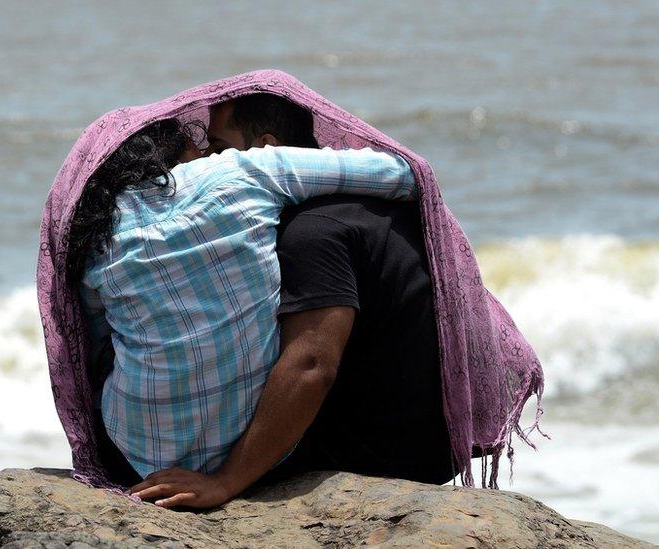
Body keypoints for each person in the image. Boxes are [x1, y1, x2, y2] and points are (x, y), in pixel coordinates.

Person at [129, 95, 454, 509]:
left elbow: (313, 365)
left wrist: (224, 482)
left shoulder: (311, 234)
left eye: (218, 146)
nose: (206, 161)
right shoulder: (359, 205)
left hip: (389, 455)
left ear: (265, 148)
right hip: (423, 431)